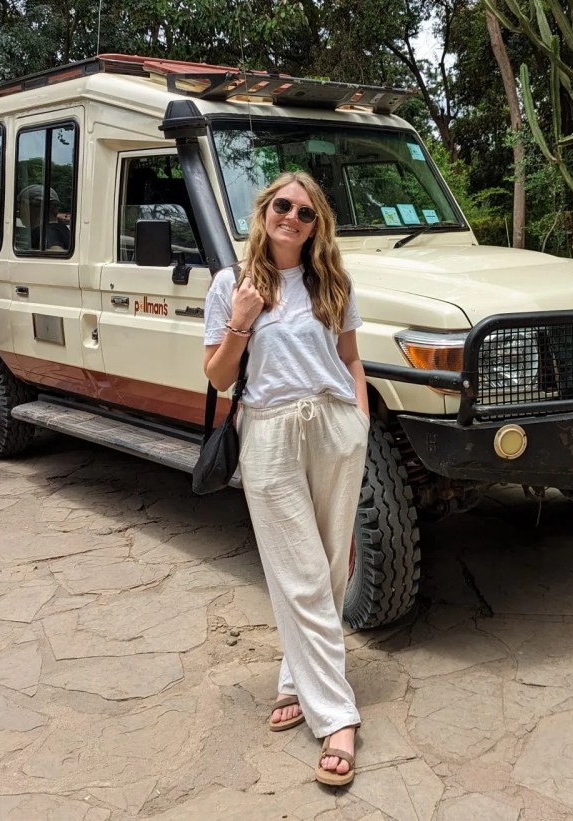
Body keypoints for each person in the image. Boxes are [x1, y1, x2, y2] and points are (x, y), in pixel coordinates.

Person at [203, 171, 369, 787]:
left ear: (316, 223)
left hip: (334, 427)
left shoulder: (334, 282)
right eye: (282, 206)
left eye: (305, 211)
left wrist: (361, 419)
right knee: (297, 572)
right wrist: (242, 318)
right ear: (264, 211)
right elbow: (219, 376)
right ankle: (338, 717)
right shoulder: (233, 284)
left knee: (330, 567)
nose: (292, 217)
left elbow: (350, 358)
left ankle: (296, 680)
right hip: (269, 430)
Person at [17, 184, 71, 251]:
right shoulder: (63, 229)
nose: (19, 211)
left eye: (21, 205)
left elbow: (56, 252)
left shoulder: (45, 232)